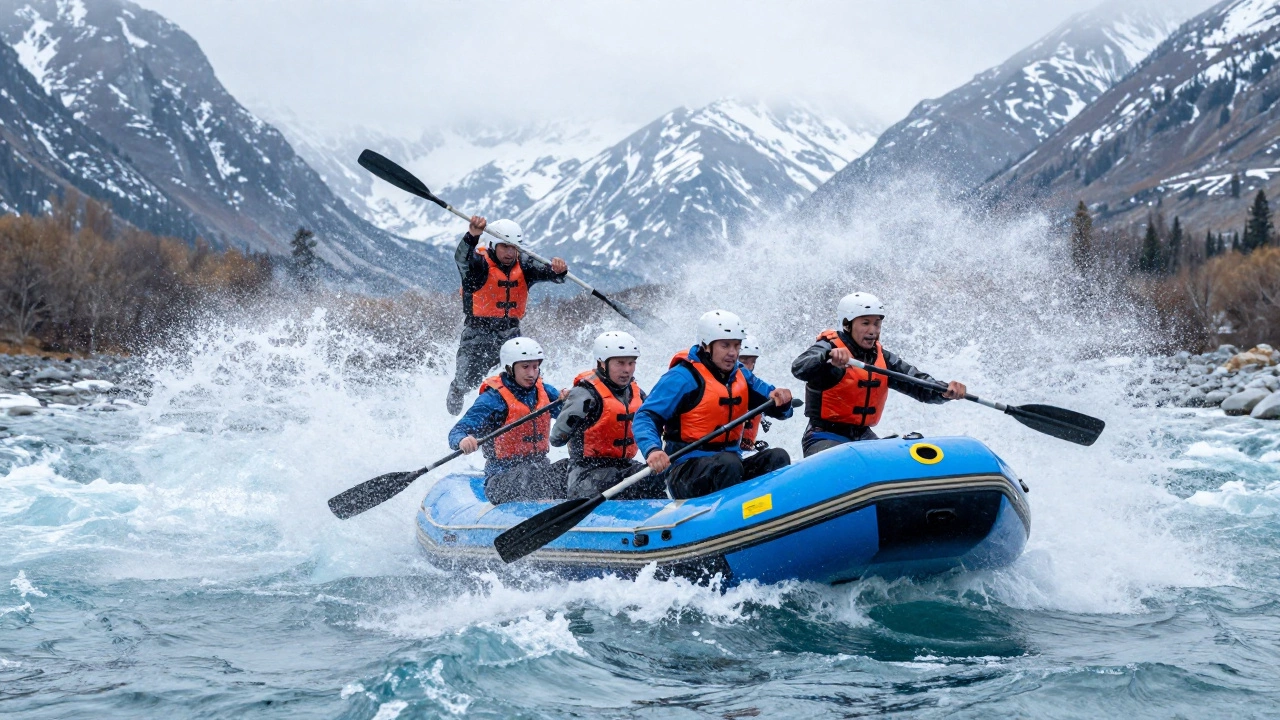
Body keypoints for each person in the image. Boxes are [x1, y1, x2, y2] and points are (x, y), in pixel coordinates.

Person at [633, 310, 794, 499]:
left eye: (737, 346)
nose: (733, 353)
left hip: (729, 466)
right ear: (707, 346)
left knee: (777, 457)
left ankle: (773, 517)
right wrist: (653, 449)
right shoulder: (682, 377)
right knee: (728, 464)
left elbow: (780, 409)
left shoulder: (741, 375)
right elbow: (645, 416)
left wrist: (782, 401)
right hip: (685, 471)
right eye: (725, 346)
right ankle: (730, 523)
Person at [791, 292, 967, 457]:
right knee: (847, 463)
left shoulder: (883, 357)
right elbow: (799, 367)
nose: (873, 330)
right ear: (847, 324)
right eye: (865, 323)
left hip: (863, 436)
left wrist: (944, 391)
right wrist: (826, 357)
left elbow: (916, 382)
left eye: (877, 324)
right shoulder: (828, 347)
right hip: (824, 436)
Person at [446, 216, 569, 415]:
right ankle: (457, 392)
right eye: (505, 247)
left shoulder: (525, 265)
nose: (511, 252)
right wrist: (472, 236)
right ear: (493, 244)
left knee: (524, 377)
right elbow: (461, 259)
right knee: (467, 380)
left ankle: (535, 410)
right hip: (477, 333)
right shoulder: (477, 266)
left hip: (510, 333)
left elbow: (550, 274)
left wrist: (558, 271)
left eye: (514, 247)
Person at [448, 337, 568, 504]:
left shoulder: (546, 393)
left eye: (535, 367)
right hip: (500, 479)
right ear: (509, 367)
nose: (532, 373)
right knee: (530, 474)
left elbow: (572, 419)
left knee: (569, 468)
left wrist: (572, 403)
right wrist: (463, 440)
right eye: (525, 367)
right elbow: (456, 432)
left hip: (539, 470)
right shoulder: (492, 400)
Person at [550, 331, 666, 500]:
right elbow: (556, 439)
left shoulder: (637, 394)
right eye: (620, 363)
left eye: (631, 363)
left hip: (624, 467)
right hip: (587, 474)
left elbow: (657, 426)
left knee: (657, 478)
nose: (626, 370)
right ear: (602, 363)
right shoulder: (584, 395)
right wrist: (572, 409)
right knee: (623, 483)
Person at [736, 335, 769, 452]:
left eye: (752, 362)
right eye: (744, 361)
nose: (748, 367)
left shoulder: (755, 387)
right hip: (723, 452)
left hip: (744, 449)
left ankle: (750, 444)